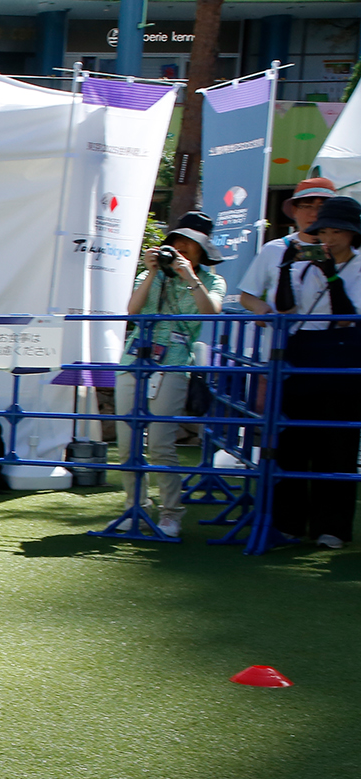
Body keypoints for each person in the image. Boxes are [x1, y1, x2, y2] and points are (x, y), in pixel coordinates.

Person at [120, 216, 225, 539]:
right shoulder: (149, 274)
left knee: (162, 444)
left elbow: (211, 313)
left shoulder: (211, 280)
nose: (178, 250)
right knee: (127, 443)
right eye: (174, 245)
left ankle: (170, 512)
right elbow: (133, 311)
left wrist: (189, 275)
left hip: (175, 363)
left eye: (186, 246)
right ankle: (134, 509)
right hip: (134, 360)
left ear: (200, 250)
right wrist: (152, 271)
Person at [271, 194, 361, 548]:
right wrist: (284, 268)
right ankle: (289, 523)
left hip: (345, 360)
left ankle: (333, 528)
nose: (330, 238)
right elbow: (284, 308)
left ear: (353, 234)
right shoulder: (305, 264)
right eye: (325, 231)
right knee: (293, 442)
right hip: (303, 355)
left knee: (337, 446)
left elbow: (346, 318)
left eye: (339, 231)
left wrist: (330, 275)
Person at [238, 177, 335, 314]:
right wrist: (262, 309)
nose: (314, 213)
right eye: (307, 206)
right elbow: (247, 295)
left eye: (322, 207)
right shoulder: (274, 249)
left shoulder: (345, 249)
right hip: (284, 333)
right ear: (294, 210)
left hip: (333, 333)